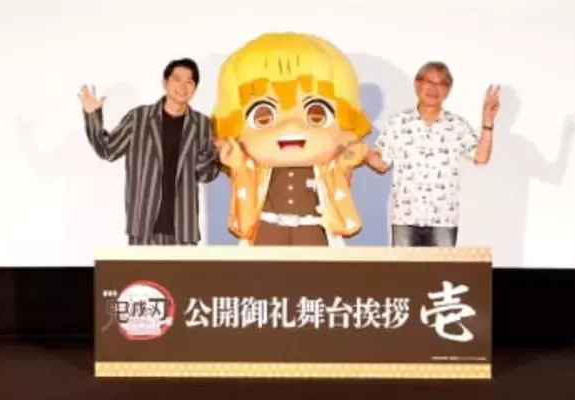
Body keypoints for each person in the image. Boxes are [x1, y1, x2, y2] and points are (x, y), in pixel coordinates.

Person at [212, 32, 371, 247]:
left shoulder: (329, 169)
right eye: (263, 117)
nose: (291, 126)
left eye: (316, 114)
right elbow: (244, 179)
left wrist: (349, 158)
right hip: (267, 231)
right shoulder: (253, 169)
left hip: (314, 231)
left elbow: (340, 172)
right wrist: (236, 162)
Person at [78, 58, 221, 245]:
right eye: (177, 79)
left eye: (189, 82)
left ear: (195, 88)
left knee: (182, 267)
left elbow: (205, 175)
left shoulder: (201, 124)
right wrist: (93, 115)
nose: (182, 87)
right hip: (143, 227)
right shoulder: (139, 118)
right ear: (165, 83)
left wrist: (214, 152)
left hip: (183, 230)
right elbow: (108, 150)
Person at [367, 61, 500, 247]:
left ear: (448, 90)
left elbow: (481, 157)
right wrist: (360, 152)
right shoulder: (398, 123)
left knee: (441, 267)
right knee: (403, 267)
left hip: (443, 221)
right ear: (417, 84)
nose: (434, 89)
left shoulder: (456, 125)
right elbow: (381, 164)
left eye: (441, 84)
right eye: (429, 82)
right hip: (405, 218)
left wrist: (487, 121)